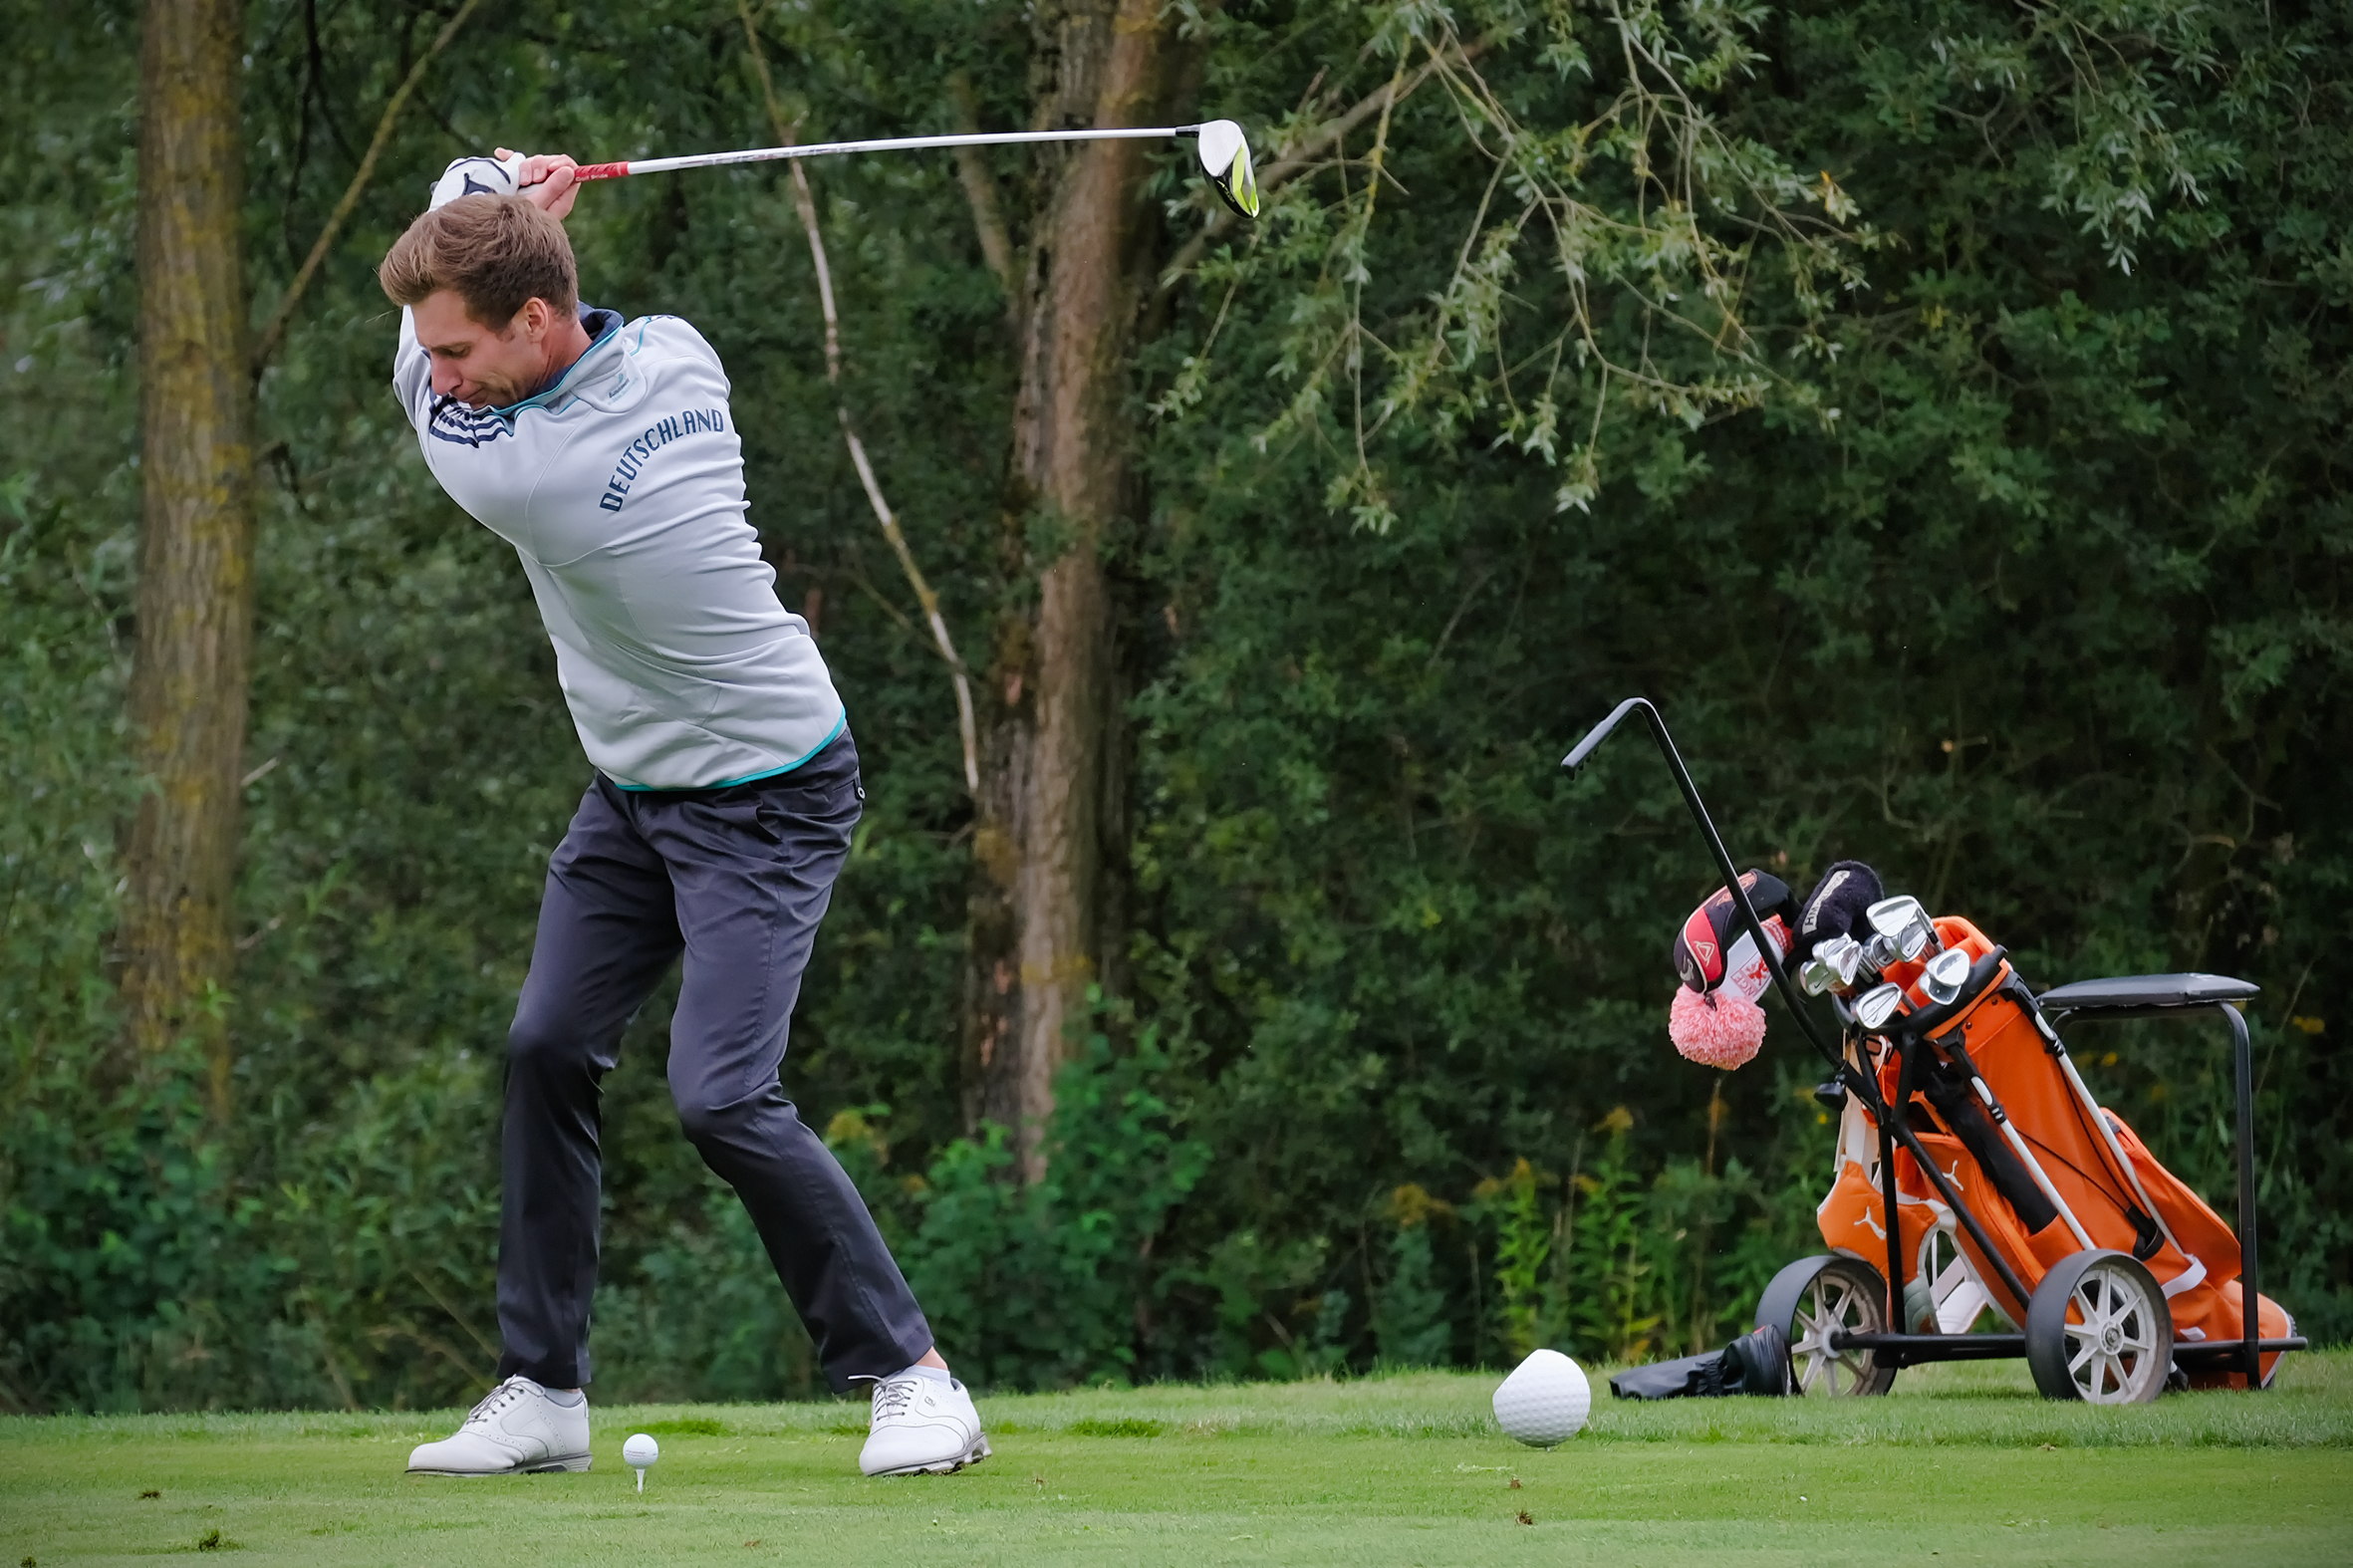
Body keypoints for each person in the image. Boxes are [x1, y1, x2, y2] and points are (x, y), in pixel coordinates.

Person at [381, 150, 985, 1479]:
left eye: (461, 347)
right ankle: (544, 1391)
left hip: (766, 792)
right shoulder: (673, 350)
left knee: (720, 1094)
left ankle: (915, 1377)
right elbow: (501, 313)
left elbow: (418, 372)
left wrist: (479, 177)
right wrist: (502, 218)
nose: (445, 370)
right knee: (546, 1045)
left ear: (531, 320)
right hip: (640, 788)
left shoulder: (523, 472)